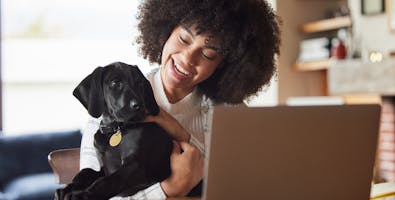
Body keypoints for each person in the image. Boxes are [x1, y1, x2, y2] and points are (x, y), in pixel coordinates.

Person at [79, 0, 281, 199]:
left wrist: (182, 134)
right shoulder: (108, 105)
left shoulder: (232, 112)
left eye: (208, 54)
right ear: (166, 31)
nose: (187, 59)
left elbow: (248, 183)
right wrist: (168, 190)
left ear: (223, 65)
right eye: (184, 39)